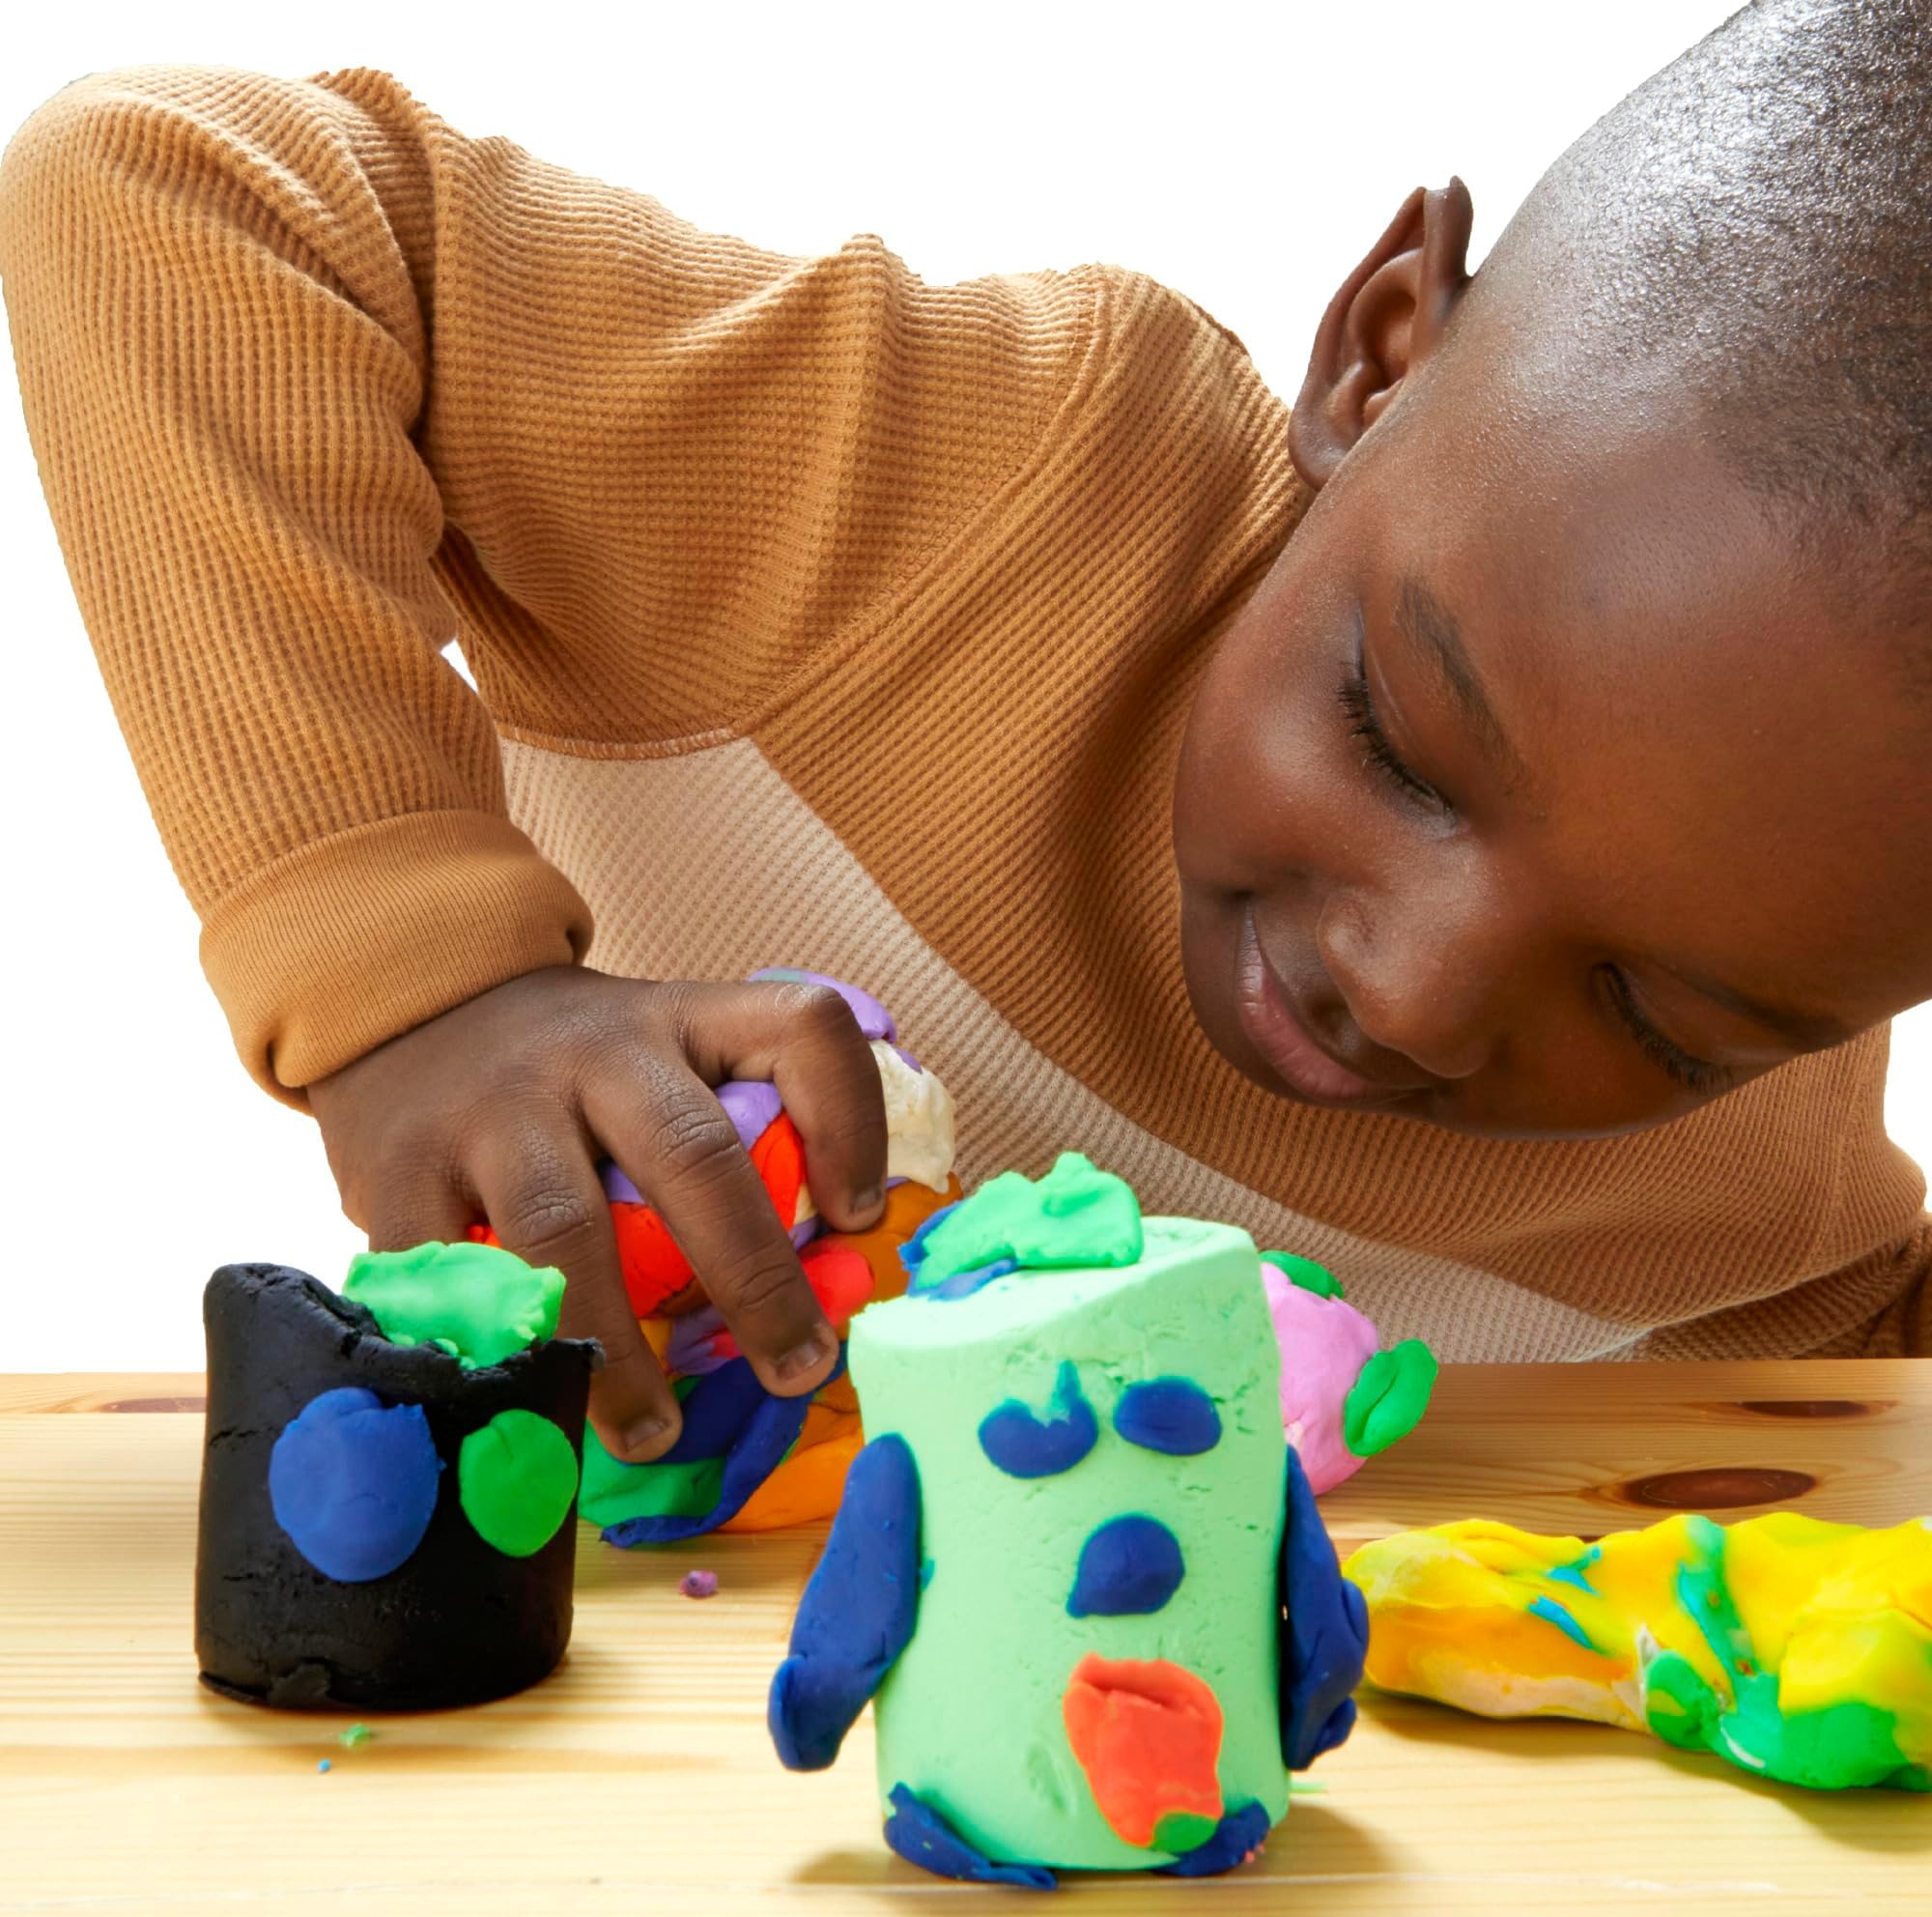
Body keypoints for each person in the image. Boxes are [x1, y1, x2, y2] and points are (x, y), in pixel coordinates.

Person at [1, 0, 1925, 1469]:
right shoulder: (955, 503)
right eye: (1399, 744)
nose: (1411, 993)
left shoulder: (1777, 1237)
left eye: (1670, 1015)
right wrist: (421, 988)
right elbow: (170, 183)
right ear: (1379, 353)